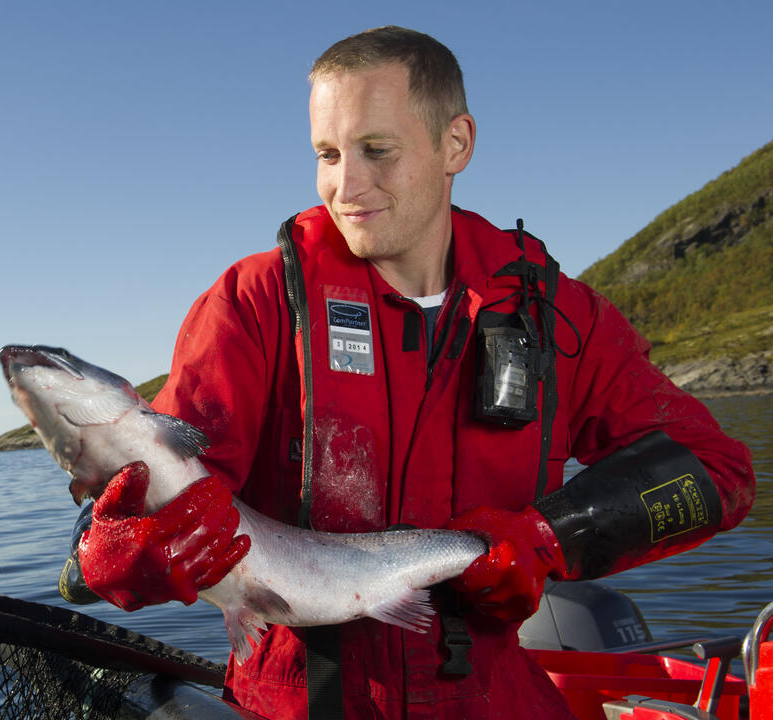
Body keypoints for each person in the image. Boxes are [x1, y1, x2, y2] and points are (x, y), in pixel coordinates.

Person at [72, 26, 757, 719]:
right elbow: (123, 529)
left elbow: (718, 470)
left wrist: (548, 539)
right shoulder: (253, 304)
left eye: (377, 151)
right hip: (298, 702)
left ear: (455, 143)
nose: (347, 184)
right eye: (328, 154)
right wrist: (121, 549)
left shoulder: (559, 315)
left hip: (493, 697)